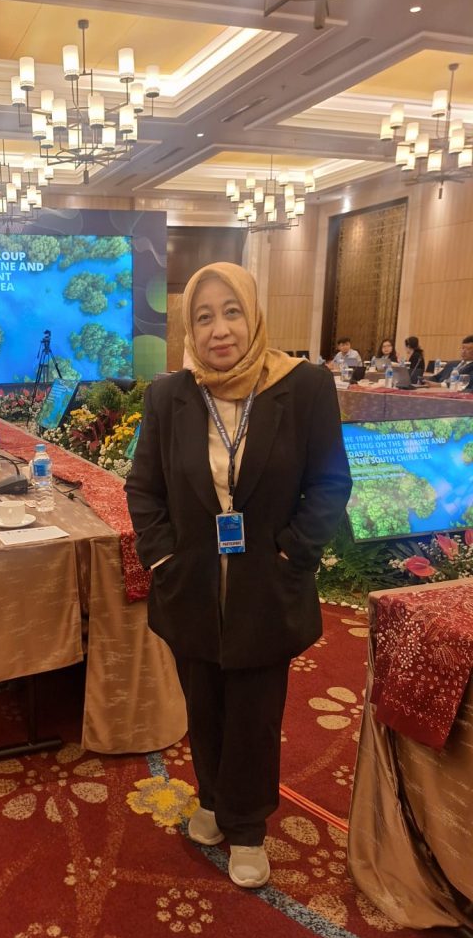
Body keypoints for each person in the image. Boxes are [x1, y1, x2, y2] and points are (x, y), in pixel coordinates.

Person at [125, 262, 352, 889]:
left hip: (266, 587)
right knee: (203, 702)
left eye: (231, 312)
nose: (219, 329)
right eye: (203, 317)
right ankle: (212, 798)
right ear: (189, 329)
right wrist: (163, 559)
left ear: (253, 315)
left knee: (254, 710)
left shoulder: (303, 387)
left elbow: (330, 483)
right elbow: (143, 488)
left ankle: (248, 826)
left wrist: (294, 555)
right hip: (192, 584)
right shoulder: (170, 396)